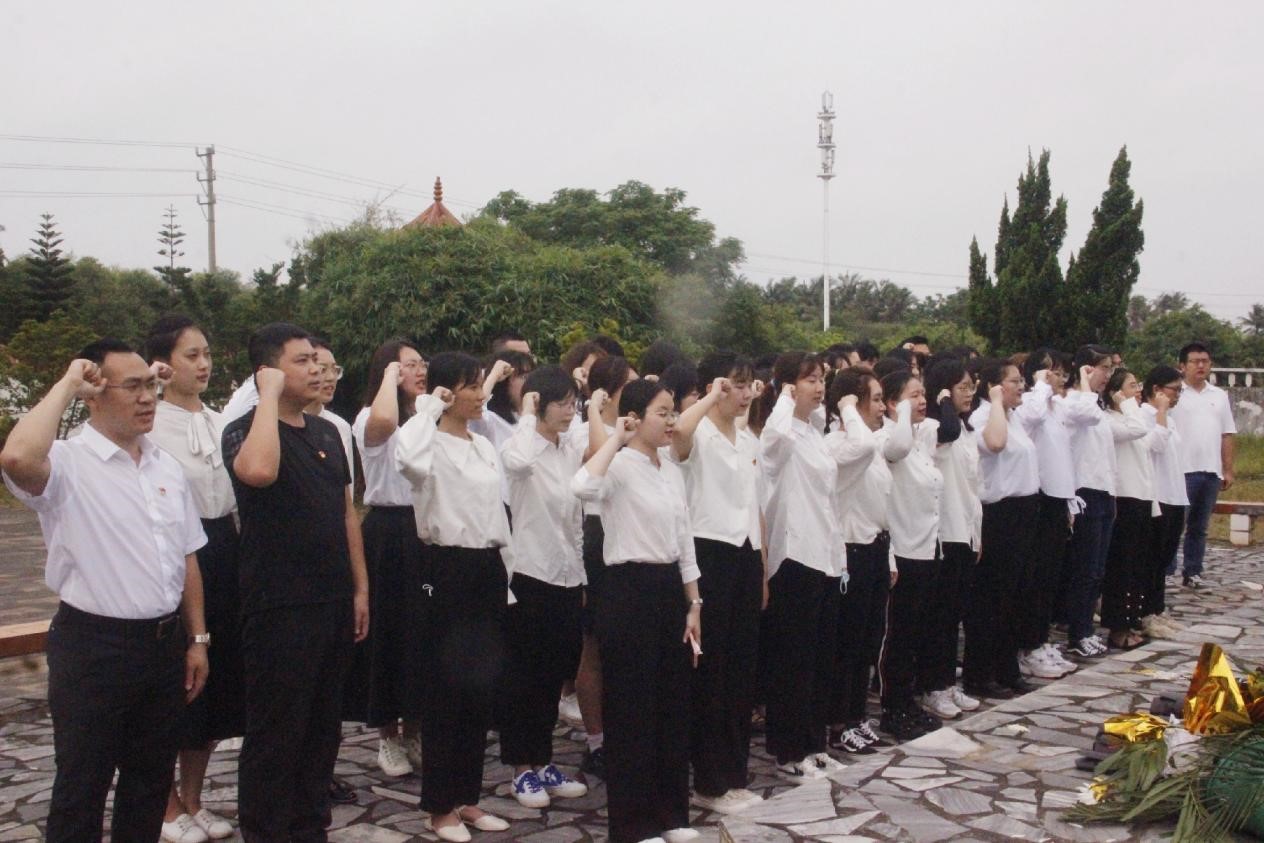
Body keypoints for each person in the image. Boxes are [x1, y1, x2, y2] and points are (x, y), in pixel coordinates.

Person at [2, 341, 209, 842]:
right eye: (132, 387)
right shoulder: (68, 463)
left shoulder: (163, 466)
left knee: (148, 783)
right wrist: (69, 381)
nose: (147, 398)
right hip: (94, 647)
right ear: (95, 394)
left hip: (162, 645)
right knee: (82, 784)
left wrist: (198, 638)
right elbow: (15, 455)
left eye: (151, 386)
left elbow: (186, 556)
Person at [221, 323, 369, 842]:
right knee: (276, 734)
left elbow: (347, 514)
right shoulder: (245, 429)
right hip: (278, 606)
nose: (316, 370)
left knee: (322, 732)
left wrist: (360, 589)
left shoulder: (329, 431)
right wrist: (267, 398)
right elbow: (258, 472)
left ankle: (311, 829)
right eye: (302, 361)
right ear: (268, 371)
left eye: (318, 361)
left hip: (333, 600)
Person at [572, 378, 703, 843]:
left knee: (672, 707)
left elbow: (684, 540)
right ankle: (633, 825)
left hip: (670, 590)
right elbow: (582, 486)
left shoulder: (670, 468)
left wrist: (694, 602)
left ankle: (672, 817)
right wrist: (615, 438)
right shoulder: (620, 466)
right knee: (632, 711)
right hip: (628, 592)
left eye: (672, 412)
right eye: (661, 412)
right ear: (635, 416)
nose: (671, 421)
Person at [394, 352, 513, 841]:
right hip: (444, 569)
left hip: (486, 568)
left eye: (482, 383)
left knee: (479, 691)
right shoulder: (427, 443)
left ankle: (467, 798)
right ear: (446, 392)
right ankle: (439, 807)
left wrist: (507, 578)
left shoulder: (484, 446)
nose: (481, 392)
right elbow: (407, 459)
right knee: (445, 693)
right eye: (470, 386)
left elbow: (497, 514)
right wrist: (427, 408)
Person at [146, 316, 242, 843]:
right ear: (162, 363)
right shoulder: (149, 421)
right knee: (172, 684)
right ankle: (164, 807)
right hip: (169, 553)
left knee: (212, 685)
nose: (203, 364)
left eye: (207, 353)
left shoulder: (218, 418)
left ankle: (195, 799)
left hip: (221, 550)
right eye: (191, 355)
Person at [670, 352, 765, 815]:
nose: (745, 394)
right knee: (713, 671)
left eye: (750, 385)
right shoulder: (702, 430)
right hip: (709, 553)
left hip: (746, 555)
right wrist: (710, 396)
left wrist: (762, 568)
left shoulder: (747, 435)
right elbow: (678, 435)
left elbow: (754, 505)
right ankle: (709, 780)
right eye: (737, 385)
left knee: (741, 670)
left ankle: (734, 773)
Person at [496, 366, 590, 809]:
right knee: (525, 677)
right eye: (563, 403)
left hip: (569, 574)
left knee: (554, 675)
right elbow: (516, 461)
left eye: (574, 402)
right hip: (531, 576)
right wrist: (526, 416)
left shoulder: (569, 449)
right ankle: (520, 767)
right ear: (539, 404)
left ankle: (544, 760)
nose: (571, 411)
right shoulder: (521, 448)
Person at [758, 352, 846, 779]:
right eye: (809, 379)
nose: (819, 385)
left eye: (821, 378)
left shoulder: (813, 432)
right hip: (794, 556)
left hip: (824, 555)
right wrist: (783, 398)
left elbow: (829, 498)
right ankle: (788, 751)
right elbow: (772, 450)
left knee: (820, 658)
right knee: (792, 661)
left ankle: (814, 743)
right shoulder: (781, 432)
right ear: (789, 385)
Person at [350, 340, 428, 778]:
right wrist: (388, 378)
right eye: (408, 366)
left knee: (420, 635)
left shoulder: (426, 417)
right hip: (387, 533)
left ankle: (414, 729)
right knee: (388, 634)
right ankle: (386, 737)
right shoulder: (372, 417)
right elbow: (383, 420)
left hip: (424, 530)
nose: (418, 371)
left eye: (421, 364)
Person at [568, 355, 639, 779]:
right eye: (627, 387)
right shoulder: (586, 428)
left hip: (635, 537)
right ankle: (596, 741)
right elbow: (598, 454)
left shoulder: (639, 428)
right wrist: (595, 410)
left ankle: (628, 733)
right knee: (594, 645)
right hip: (598, 536)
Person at [963, 361, 1045, 700]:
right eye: (1013, 381)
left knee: (1016, 596)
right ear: (994, 386)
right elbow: (994, 445)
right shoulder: (985, 416)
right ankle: (981, 673)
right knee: (991, 599)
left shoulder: (1016, 418)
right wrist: (995, 400)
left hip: (1025, 511)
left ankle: (1007, 668)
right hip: (1000, 514)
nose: (1021, 386)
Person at [824, 367, 895, 755]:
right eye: (876, 399)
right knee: (848, 644)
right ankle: (840, 722)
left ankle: (856, 716)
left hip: (875, 546)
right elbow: (861, 448)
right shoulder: (839, 443)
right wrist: (848, 408)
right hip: (850, 549)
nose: (883, 407)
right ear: (853, 401)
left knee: (868, 640)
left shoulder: (872, 441)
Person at [1017, 350, 1098, 679]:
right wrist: (1038, 385)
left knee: (1050, 579)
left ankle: (1041, 639)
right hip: (1039, 498)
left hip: (1060, 497)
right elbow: (1030, 416)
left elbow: (1089, 413)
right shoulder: (1029, 404)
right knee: (1035, 581)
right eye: (1052, 372)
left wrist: (1081, 381)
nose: (1057, 379)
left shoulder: (1058, 407)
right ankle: (1028, 645)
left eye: (1062, 373)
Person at [874, 369, 944, 740]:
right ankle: (892, 707)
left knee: (916, 632)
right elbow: (896, 449)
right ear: (890, 403)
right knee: (896, 637)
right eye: (913, 395)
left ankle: (907, 700)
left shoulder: (920, 437)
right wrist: (901, 414)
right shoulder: (889, 437)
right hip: (901, 550)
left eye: (923, 394)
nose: (922, 401)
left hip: (925, 547)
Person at [920, 358, 982, 719]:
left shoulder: (965, 430)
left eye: (972, 387)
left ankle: (946, 681)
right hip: (943, 534)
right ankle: (933, 686)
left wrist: (977, 532)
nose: (969, 394)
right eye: (962, 387)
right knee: (939, 618)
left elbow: (974, 487)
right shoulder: (935, 429)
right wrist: (942, 399)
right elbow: (946, 432)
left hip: (965, 531)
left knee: (954, 614)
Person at [1064, 345, 1128, 659]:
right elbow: (1085, 414)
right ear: (1087, 369)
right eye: (1105, 368)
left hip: (1102, 491)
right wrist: (1084, 383)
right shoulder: (1074, 402)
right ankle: (1078, 631)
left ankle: (1087, 627)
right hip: (1083, 492)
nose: (1109, 376)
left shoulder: (1097, 405)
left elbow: (1106, 454)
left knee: (1097, 569)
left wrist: (1113, 490)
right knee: (1084, 568)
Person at [1101, 369, 1170, 650]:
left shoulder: (1132, 416)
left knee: (1137, 566)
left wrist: (1159, 412)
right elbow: (1137, 430)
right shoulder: (1110, 419)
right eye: (1132, 385)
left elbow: (1153, 441)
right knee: (1121, 567)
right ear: (1116, 391)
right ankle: (1117, 627)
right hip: (1124, 499)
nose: (1138, 390)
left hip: (1141, 498)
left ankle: (1131, 620)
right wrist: (1127, 403)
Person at [1169, 341, 1237, 588]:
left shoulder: (1218, 396)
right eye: (1195, 361)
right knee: (1175, 525)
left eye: (1205, 361)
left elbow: (1227, 433)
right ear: (1182, 366)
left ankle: (1193, 571)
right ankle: (1165, 571)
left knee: (1199, 527)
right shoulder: (1175, 394)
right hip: (1181, 471)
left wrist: (1227, 469)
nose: (1200, 366)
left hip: (1210, 471)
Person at [1139, 366, 1189, 638]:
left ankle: (1157, 608)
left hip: (1174, 494)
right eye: (1174, 390)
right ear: (1157, 390)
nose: (1177, 395)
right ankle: (1145, 612)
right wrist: (1160, 411)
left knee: (1165, 558)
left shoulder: (1169, 418)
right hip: (1157, 496)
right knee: (1152, 558)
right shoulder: (1145, 416)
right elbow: (1153, 446)